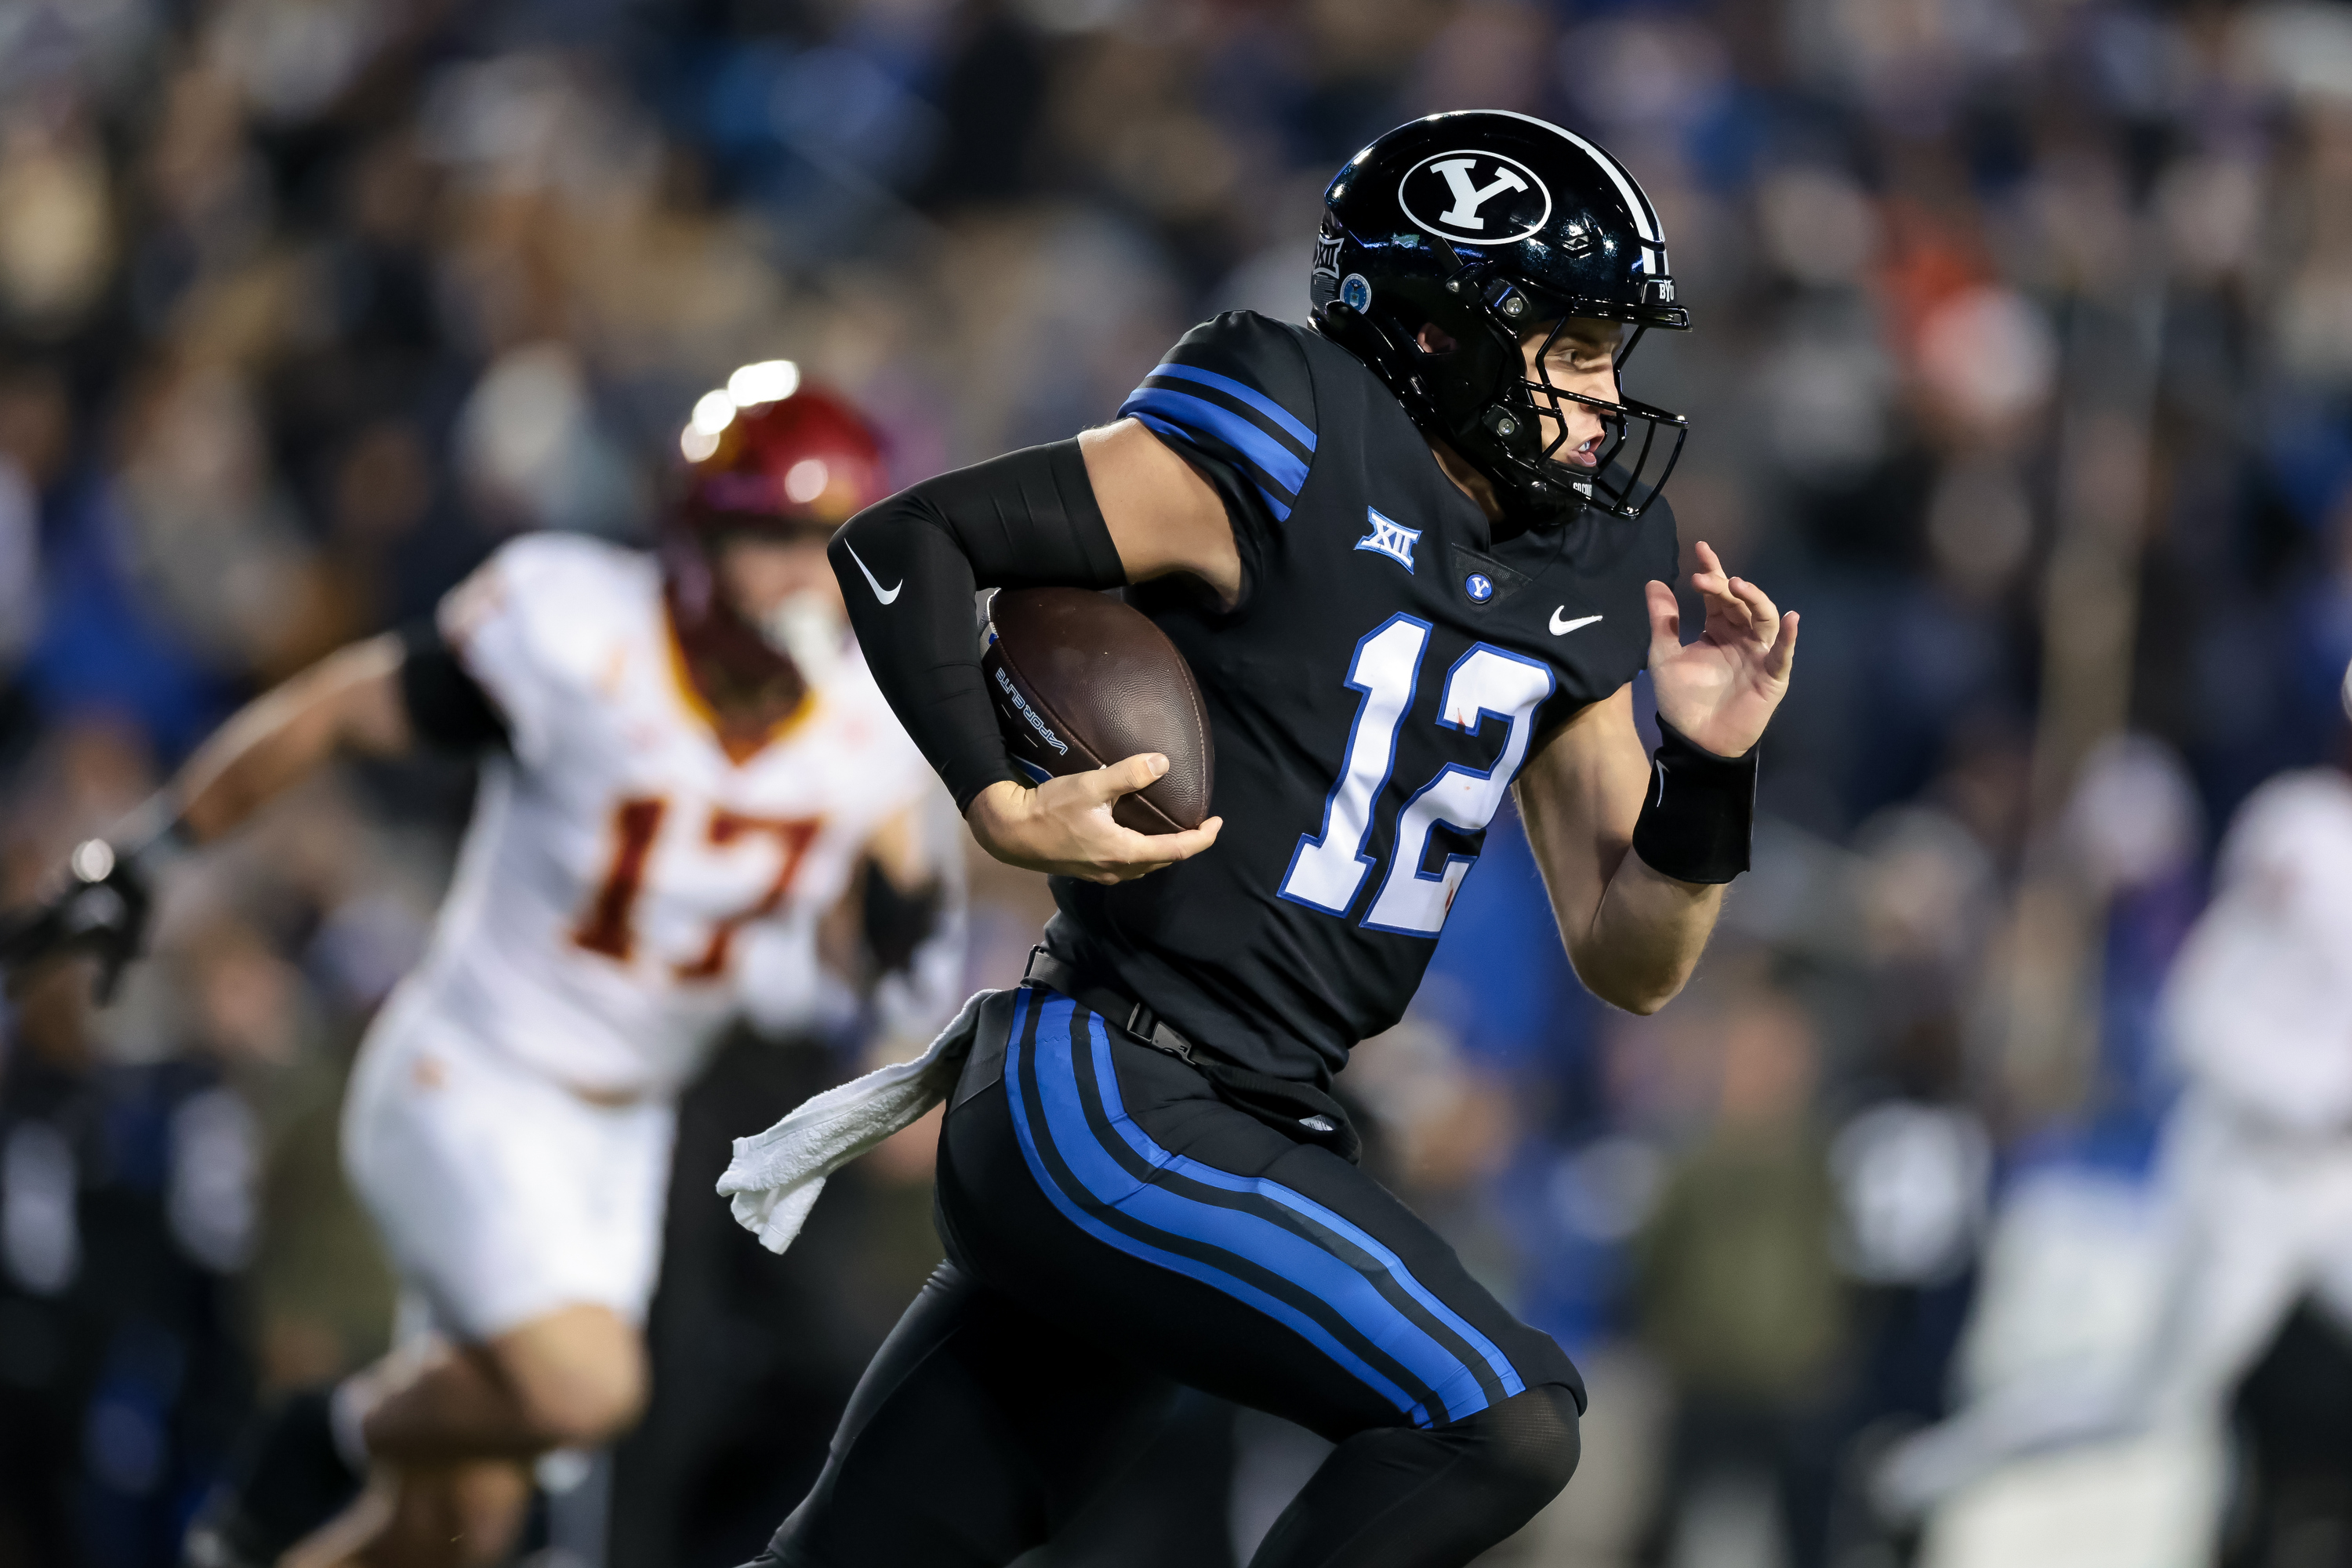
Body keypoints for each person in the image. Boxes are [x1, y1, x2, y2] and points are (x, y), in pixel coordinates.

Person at [734, 109, 1799, 1568]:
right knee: (1500, 1413)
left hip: (1242, 1117)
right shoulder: (1290, 422)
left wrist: (1711, 768)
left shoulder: (1588, 563)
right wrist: (994, 791)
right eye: (1572, 346)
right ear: (1439, 334)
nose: (1610, 398)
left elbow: (1637, 959)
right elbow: (905, 542)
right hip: (1111, 1090)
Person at [1, 372, 966, 1568]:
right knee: (589, 1390)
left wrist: (902, 1003)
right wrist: (150, 848)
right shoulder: (580, 633)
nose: (803, 574)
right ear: (695, 534)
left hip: (619, 1139)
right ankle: (332, 1430)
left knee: (453, 1531)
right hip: (473, 1074)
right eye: (772, 535)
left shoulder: (870, 725)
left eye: (831, 540)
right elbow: (337, 711)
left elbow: (906, 916)